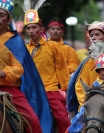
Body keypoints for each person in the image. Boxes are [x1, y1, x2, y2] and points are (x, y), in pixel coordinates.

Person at [0, 0, 54, 133]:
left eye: (1, 15)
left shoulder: (14, 42)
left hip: (10, 91)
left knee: (33, 121)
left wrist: (3, 73)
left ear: (8, 20)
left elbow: (19, 68)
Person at [19, 0, 71, 132]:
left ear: (41, 29)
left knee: (63, 119)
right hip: (30, 92)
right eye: (28, 28)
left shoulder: (52, 46)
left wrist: (65, 89)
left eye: (34, 27)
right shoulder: (23, 49)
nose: (31, 31)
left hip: (50, 89)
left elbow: (61, 68)